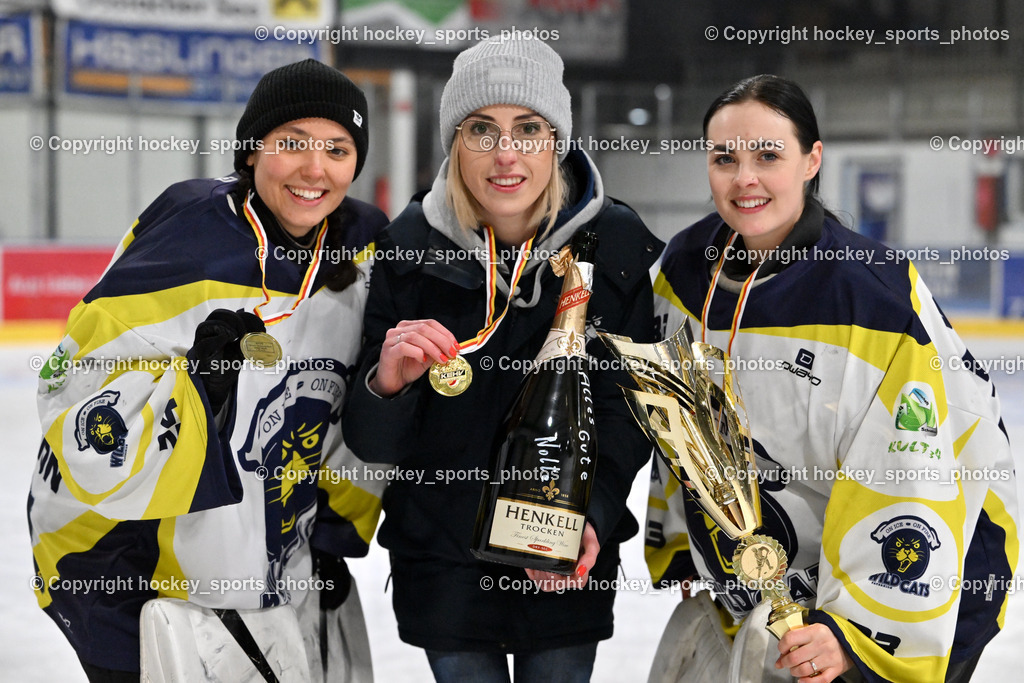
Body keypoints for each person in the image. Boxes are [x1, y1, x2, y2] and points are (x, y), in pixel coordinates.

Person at [645, 74, 1019, 683]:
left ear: (812, 160)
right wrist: (682, 542)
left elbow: (908, 477)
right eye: (724, 158)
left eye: (769, 155)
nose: (745, 178)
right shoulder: (684, 271)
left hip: (910, 593)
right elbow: (678, 420)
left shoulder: (873, 301)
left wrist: (855, 636)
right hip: (766, 592)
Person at [28, 59, 390, 681]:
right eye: (292, 144)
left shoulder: (362, 251)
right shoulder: (186, 236)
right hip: (124, 563)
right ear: (251, 153)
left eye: (337, 148)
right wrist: (195, 388)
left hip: (275, 563)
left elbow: (341, 415)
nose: (315, 168)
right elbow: (72, 391)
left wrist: (333, 533)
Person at [343, 37, 662, 682]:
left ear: (557, 140)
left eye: (529, 129)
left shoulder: (615, 246)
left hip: (561, 552)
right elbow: (370, 442)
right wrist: (387, 384)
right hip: (444, 563)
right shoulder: (405, 247)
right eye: (481, 129)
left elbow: (633, 416)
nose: (506, 153)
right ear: (454, 142)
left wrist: (592, 515)